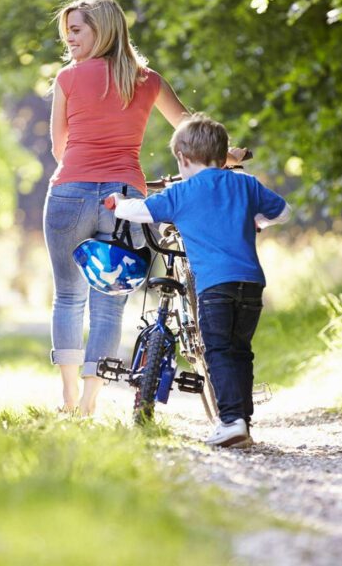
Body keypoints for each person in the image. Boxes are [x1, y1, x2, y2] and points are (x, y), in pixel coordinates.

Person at [44, 0, 195, 417]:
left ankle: (69, 398)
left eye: (76, 30)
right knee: (110, 299)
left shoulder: (68, 78)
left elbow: (59, 147)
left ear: (103, 29)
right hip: (124, 199)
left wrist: (83, 164)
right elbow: (189, 128)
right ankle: (90, 400)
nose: (69, 39)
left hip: (68, 192)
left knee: (68, 296)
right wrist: (228, 153)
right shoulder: (148, 81)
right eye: (67, 31)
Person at [108, 114, 291, 448]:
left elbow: (143, 211)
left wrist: (118, 205)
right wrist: (257, 222)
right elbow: (283, 211)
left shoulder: (183, 192)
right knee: (240, 350)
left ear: (182, 158)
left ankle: (231, 420)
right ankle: (242, 420)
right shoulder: (245, 184)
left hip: (214, 287)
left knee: (218, 350)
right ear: (224, 157)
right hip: (250, 284)